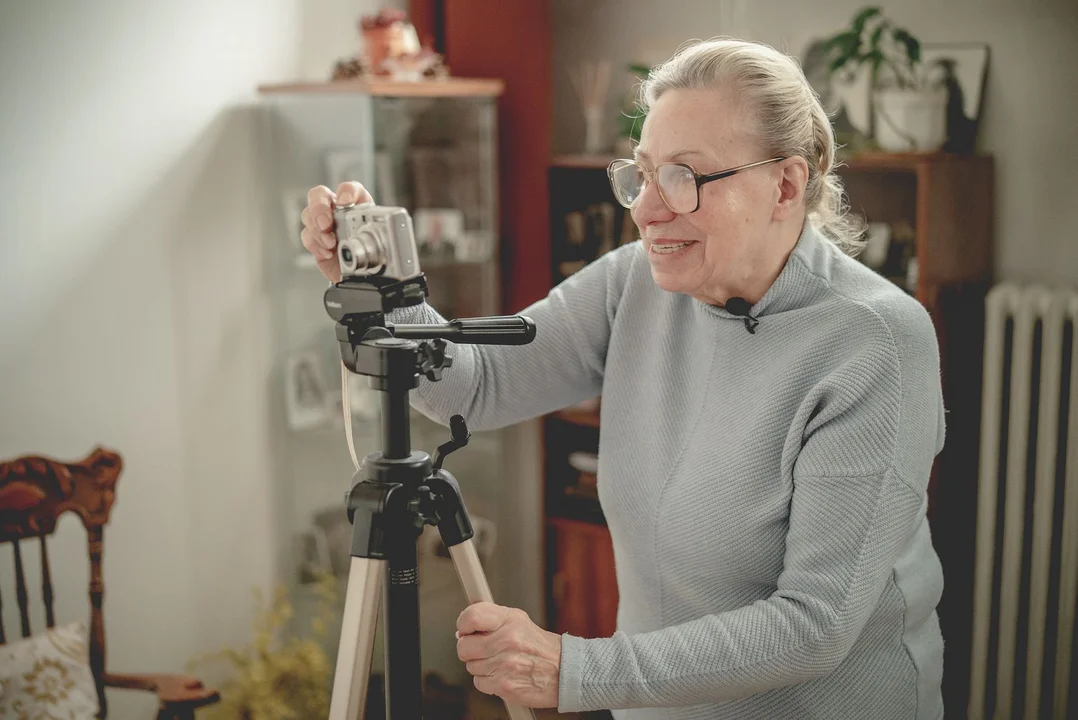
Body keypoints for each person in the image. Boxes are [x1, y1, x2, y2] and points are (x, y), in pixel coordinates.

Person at [300, 37, 945, 720]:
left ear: (785, 185)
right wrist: (385, 289)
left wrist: (576, 670)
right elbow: (474, 387)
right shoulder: (634, 281)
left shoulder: (875, 341)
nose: (647, 209)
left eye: (685, 177)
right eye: (643, 173)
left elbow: (815, 625)